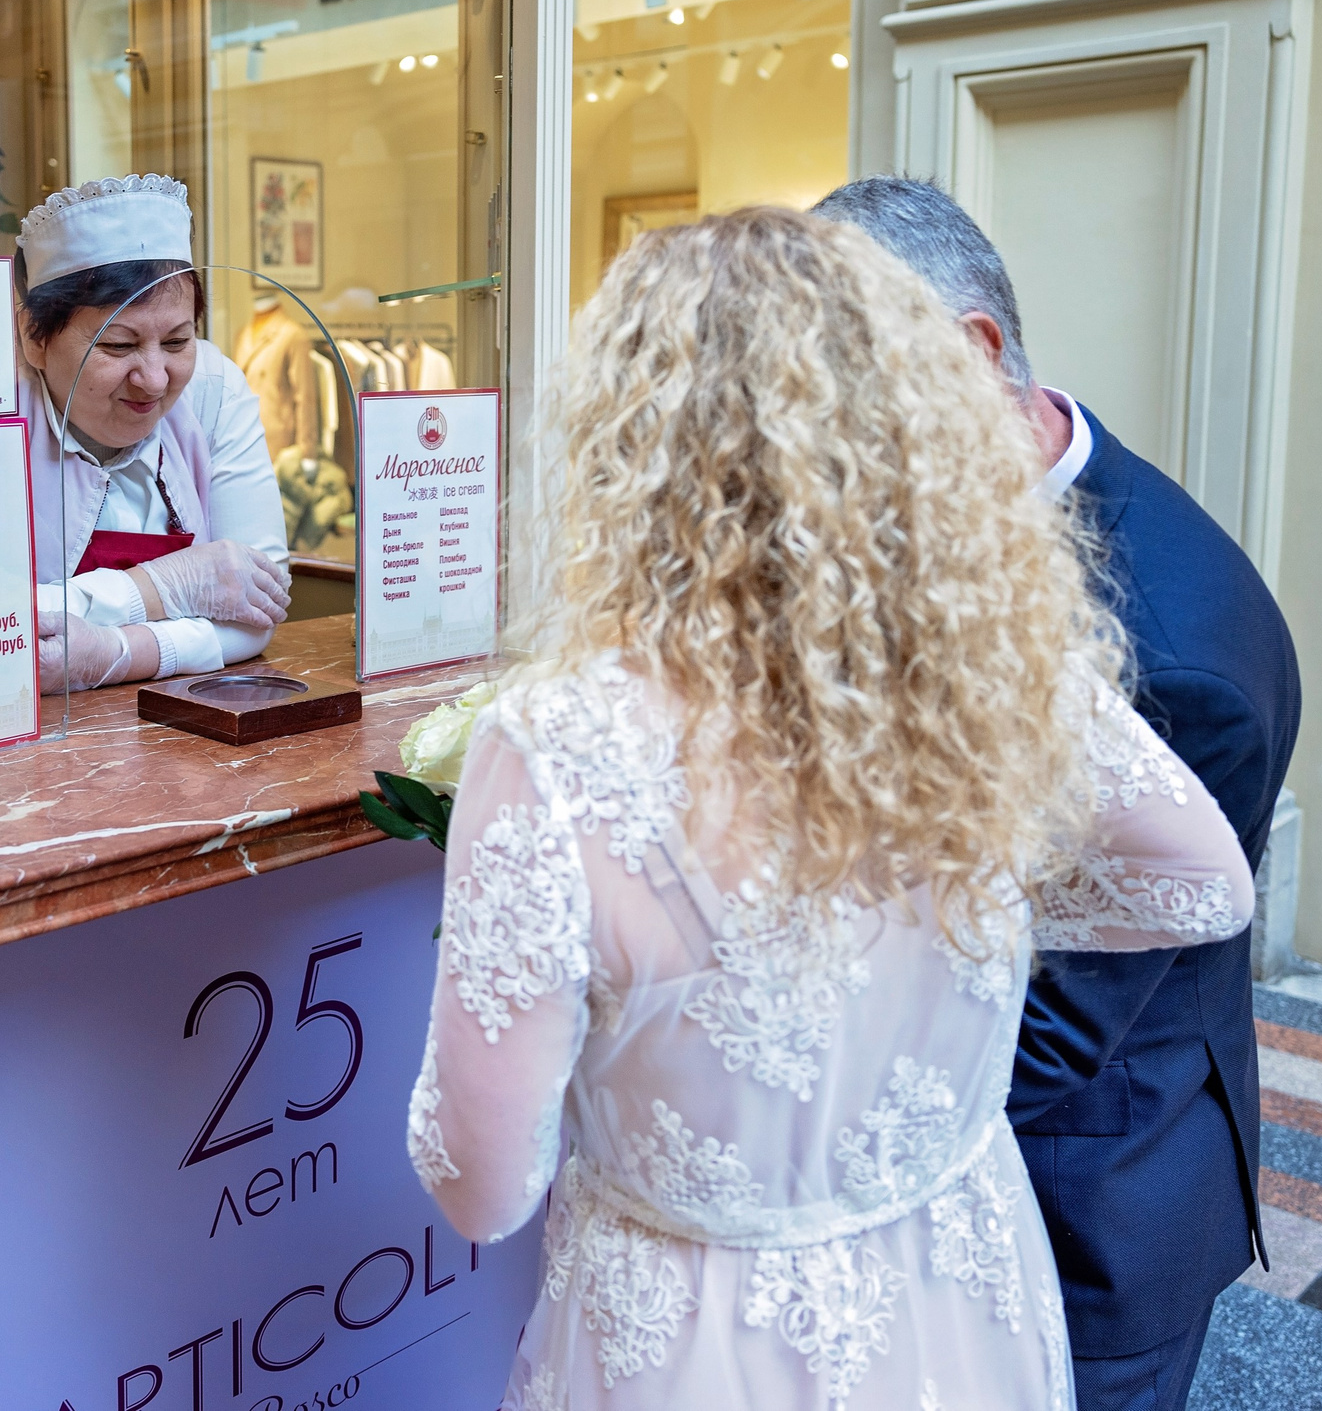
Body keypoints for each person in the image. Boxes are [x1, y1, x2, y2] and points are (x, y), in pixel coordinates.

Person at [408, 205, 1255, 1410]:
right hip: (954, 1296)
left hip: (698, 1339)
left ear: (631, 446)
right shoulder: (994, 662)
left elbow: (480, 1188)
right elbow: (1197, 884)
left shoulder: (559, 746)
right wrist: (978, 906)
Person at [815, 175, 1301, 1411]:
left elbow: (1062, 1024)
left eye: (840, 395)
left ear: (971, 353)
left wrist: (807, 1121)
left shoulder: (1165, 650)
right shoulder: (971, 516)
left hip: (1093, 1198)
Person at [14, 174, 292, 693]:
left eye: (177, 340)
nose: (155, 379)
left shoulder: (212, 390)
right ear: (35, 339)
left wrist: (114, 653)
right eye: (118, 345)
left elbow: (259, 607)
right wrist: (162, 588)